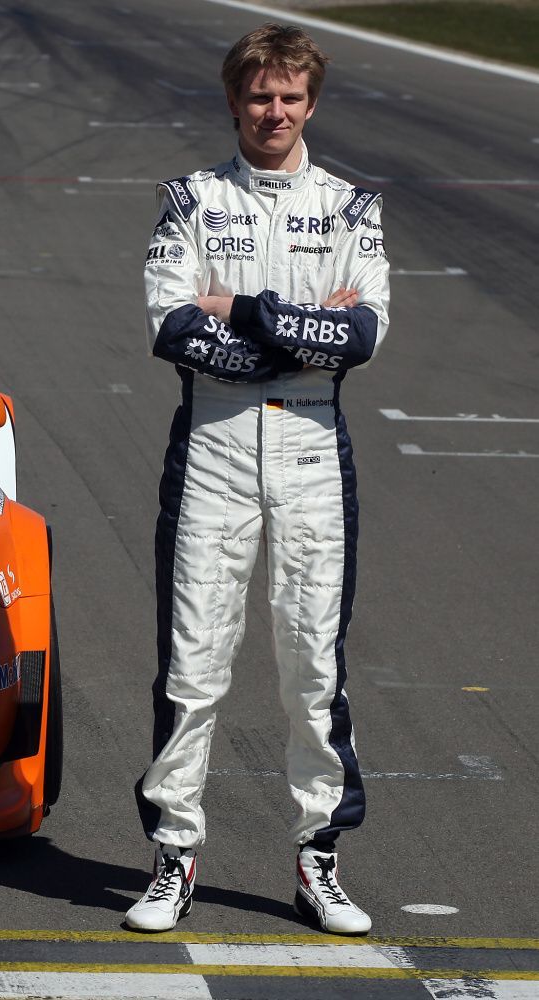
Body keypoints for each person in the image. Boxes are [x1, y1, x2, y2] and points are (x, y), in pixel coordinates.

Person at [129, 23, 390, 935]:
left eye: (289, 97)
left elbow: (358, 339)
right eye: (258, 96)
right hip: (213, 447)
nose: (273, 111)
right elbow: (172, 328)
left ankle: (318, 860)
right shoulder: (191, 201)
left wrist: (237, 307)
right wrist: (295, 330)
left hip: (316, 452)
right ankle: (174, 854)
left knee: (311, 668)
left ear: (310, 103)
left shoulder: (353, 206)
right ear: (235, 102)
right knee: (193, 666)